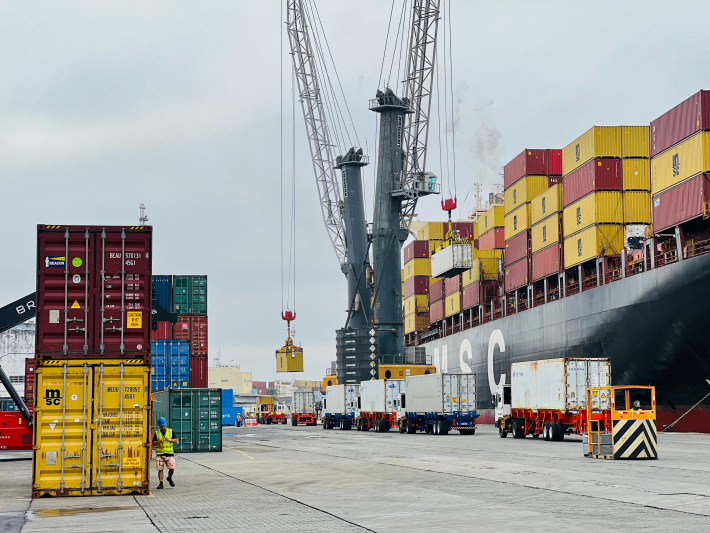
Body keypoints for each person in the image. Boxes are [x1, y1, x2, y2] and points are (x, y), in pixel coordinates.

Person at [152, 417, 178, 490]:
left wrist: (169, 440)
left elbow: (176, 441)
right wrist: (159, 442)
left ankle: (169, 478)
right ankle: (161, 483)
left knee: (172, 467)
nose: (162, 427)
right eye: (161, 426)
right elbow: (153, 443)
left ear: (165, 424)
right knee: (160, 469)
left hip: (169, 453)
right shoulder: (157, 433)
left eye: (163, 425)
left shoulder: (170, 431)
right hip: (160, 454)